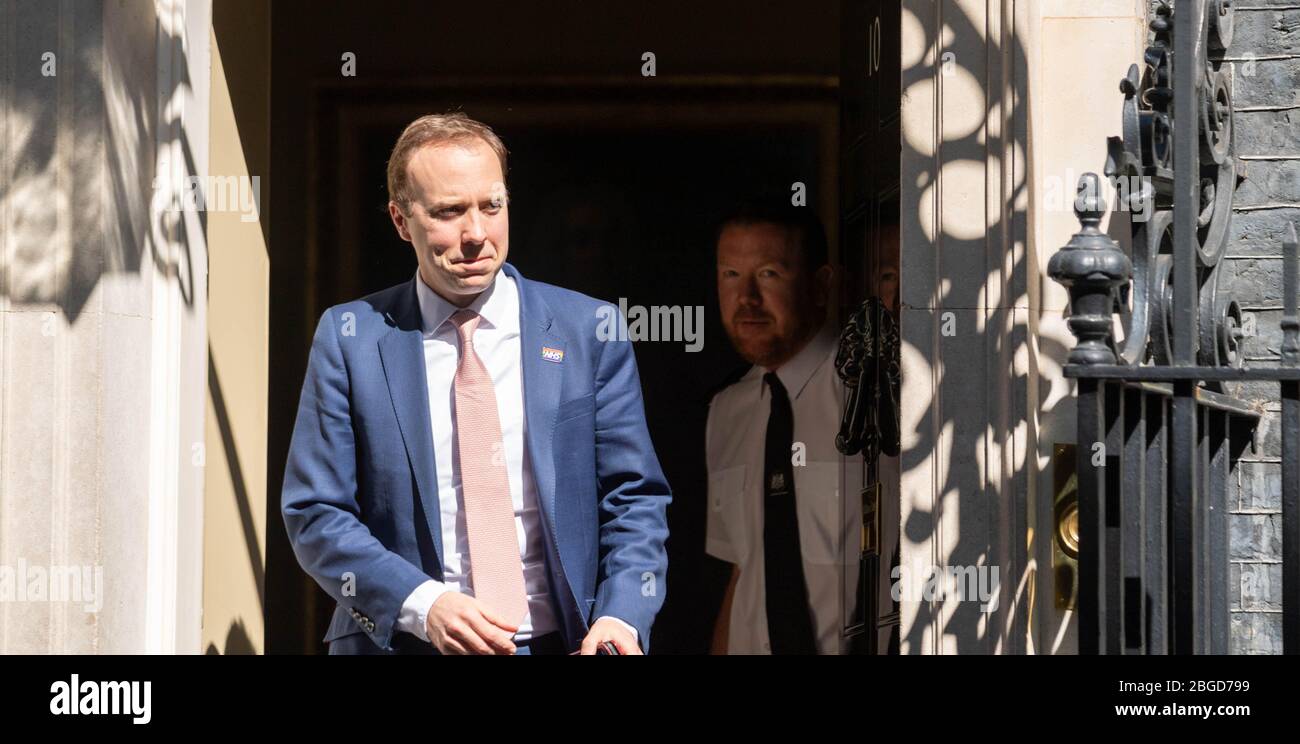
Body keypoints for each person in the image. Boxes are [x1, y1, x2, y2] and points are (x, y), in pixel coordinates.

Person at [281, 112, 671, 655]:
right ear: (400, 220)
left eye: (492, 206)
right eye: (449, 212)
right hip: (407, 640)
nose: (477, 235)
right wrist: (423, 603)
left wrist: (622, 615)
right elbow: (316, 512)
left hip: (563, 642)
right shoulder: (350, 338)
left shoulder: (589, 331)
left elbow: (635, 499)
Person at [706, 202, 864, 654]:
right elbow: (743, 569)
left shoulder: (874, 397)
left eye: (769, 274)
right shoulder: (728, 410)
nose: (747, 299)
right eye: (731, 275)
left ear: (821, 285)